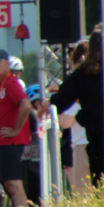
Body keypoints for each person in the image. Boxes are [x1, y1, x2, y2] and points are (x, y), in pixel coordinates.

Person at [41, 24, 103, 187]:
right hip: (94, 139)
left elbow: (62, 99)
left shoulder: (83, 75)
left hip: (97, 142)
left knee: (97, 192)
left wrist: (45, 103)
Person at [0, 49, 32, 207]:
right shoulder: (2, 85)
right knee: (11, 184)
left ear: (7, 63)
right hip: (3, 142)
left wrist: (15, 129)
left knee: (14, 184)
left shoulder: (11, 83)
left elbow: (26, 106)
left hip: (11, 142)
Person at [57, 41, 90, 194]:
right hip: (84, 143)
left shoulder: (77, 89)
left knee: (84, 195)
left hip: (83, 144)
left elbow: (64, 122)